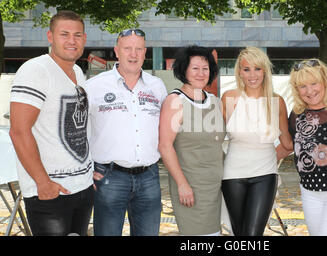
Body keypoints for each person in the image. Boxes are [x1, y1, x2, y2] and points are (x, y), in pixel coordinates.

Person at [9, 10, 93, 236]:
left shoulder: (77, 71)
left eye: (77, 35)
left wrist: (88, 173)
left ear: (84, 39)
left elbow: (80, 127)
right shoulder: (36, 70)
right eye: (64, 34)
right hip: (50, 193)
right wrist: (42, 183)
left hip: (81, 187)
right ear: (50, 36)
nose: (71, 41)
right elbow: (18, 131)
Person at [85, 28, 167, 236]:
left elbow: (166, 130)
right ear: (116, 51)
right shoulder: (94, 87)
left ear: (145, 52)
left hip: (149, 176)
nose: (133, 54)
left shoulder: (157, 86)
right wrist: (85, 168)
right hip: (109, 177)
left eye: (138, 49)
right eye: (127, 48)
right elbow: (79, 131)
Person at [280, 59, 327, 236]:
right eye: (303, 86)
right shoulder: (297, 115)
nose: (310, 91)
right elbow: (289, 147)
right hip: (309, 192)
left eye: (314, 83)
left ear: (325, 82)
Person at [221, 47, 292, 236]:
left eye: (257, 69)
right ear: (239, 72)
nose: (252, 75)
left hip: (265, 174)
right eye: (246, 69)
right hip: (233, 174)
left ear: (265, 71)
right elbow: (214, 139)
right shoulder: (230, 98)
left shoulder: (277, 101)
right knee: (240, 234)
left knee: (253, 234)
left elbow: (287, 144)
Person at [158, 45, 225, 236]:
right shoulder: (175, 101)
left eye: (205, 68)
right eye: (195, 68)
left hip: (218, 187)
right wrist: (182, 184)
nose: (201, 73)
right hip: (192, 187)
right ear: (184, 70)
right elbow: (165, 146)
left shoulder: (214, 101)